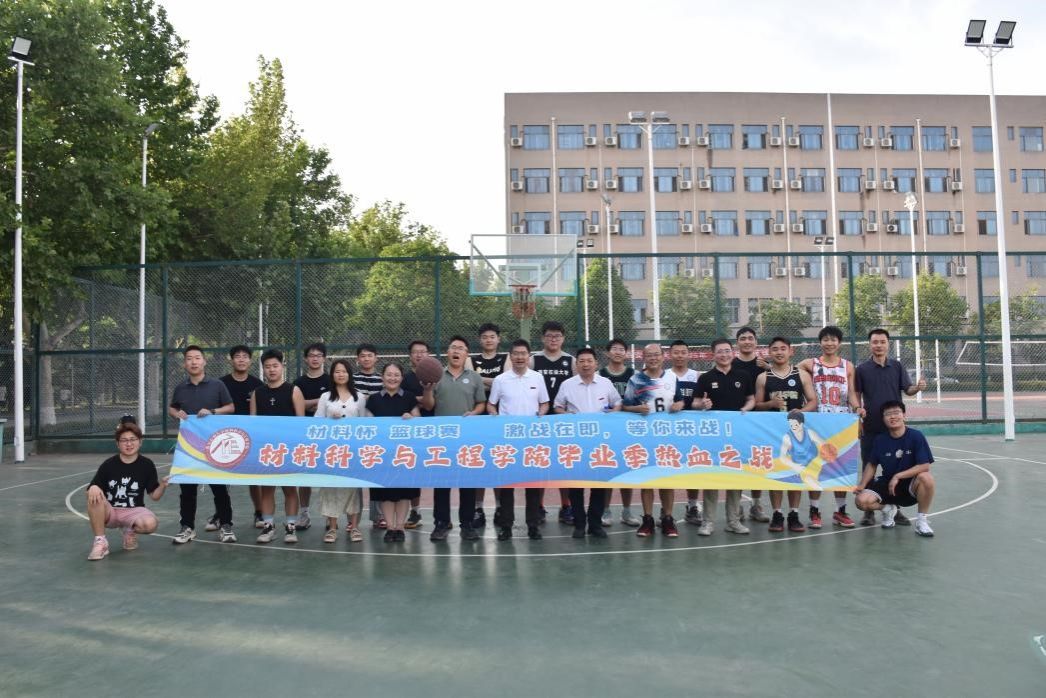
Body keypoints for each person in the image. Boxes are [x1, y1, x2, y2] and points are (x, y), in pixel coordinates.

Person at [854, 328, 927, 526]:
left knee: (897, 467)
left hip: (894, 428)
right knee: (869, 465)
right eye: (875, 342)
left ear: (888, 344)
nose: (878, 345)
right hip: (871, 427)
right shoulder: (862, 369)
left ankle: (896, 508)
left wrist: (918, 387)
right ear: (869, 345)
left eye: (882, 342)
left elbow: (908, 390)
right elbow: (857, 394)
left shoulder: (897, 366)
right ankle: (869, 511)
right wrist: (858, 409)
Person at [419, 336, 486, 542]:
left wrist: (474, 413)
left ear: (467, 354)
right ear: (447, 352)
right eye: (453, 347)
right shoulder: (436, 375)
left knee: (467, 483)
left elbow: (481, 403)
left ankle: (467, 524)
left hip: (467, 438)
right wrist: (427, 390)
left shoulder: (474, 377)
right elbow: (429, 406)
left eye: (461, 348)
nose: (457, 351)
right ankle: (441, 523)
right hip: (443, 439)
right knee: (442, 483)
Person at [168, 345, 235, 545]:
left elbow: (231, 407)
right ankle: (187, 527)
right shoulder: (180, 388)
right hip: (189, 447)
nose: (193, 362)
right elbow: (172, 408)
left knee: (219, 488)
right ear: (185, 364)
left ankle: (226, 525)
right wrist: (176, 413)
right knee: (187, 489)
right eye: (189, 358)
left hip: (215, 446)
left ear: (204, 361)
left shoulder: (217, 385)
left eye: (197, 358)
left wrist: (213, 412)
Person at [554, 347, 622, 538]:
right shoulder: (567, 384)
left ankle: (595, 524)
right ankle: (579, 524)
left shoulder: (605, 383)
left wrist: (614, 412)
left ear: (596, 363)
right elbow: (557, 406)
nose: (585, 364)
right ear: (576, 364)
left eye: (589, 361)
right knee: (576, 485)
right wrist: (566, 414)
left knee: (598, 485)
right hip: (575, 443)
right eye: (581, 361)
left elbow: (617, 402)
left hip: (600, 442)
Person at [798, 325, 861, 528]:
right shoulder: (809, 364)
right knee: (816, 466)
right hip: (817, 421)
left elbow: (851, 393)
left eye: (833, 339)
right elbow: (788, 371)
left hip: (840, 422)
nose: (829, 343)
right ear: (820, 342)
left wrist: (857, 408)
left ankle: (840, 511)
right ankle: (814, 511)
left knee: (840, 467)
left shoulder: (847, 366)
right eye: (825, 339)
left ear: (839, 343)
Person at [488, 339, 550, 541]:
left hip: (531, 440)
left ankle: (533, 525)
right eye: (516, 353)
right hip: (508, 441)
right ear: (511, 356)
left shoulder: (537, 378)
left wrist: (541, 413)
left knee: (532, 486)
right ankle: (506, 526)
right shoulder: (501, 380)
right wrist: (494, 415)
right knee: (507, 486)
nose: (520, 357)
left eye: (523, 353)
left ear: (529, 356)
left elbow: (545, 403)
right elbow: (491, 404)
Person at [622, 343, 684, 538]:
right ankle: (647, 519)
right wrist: (636, 409)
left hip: (667, 436)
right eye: (649, 355)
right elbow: (625, 406)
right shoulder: (636, 379)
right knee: (647, 479)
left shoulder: (672, 377)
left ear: (663, 357)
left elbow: (680, 400)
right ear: (643, 357)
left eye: (657, 354)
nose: (653, 358)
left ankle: (668, 518)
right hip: (644, 436)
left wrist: (679, 405)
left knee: (666, 479)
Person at [755, 337, 816, 533]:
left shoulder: (802, 375)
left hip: (795, 432)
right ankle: (777, 513)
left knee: (795, 473)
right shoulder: (763, 377)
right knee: (777, 473)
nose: (779, 352)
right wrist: (770, 404)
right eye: (775, 349)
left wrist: (800, 413)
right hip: (773, 433)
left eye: (783, 348)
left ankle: (794, 514)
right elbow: (757, 405)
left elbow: (813, 401)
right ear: (769, 352)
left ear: (791, 351)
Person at [694, 337, 755, 536]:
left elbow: (751, 399)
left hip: (737, 435)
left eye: (727, 351)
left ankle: (733, 521)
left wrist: (746, 409)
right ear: (713, 354)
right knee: (712, 479)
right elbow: (695, 402)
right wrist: (702, 405)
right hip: (713, 436)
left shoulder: (743, 376)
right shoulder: (705, 378)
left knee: (735, 478)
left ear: (733, 352)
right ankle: (708, 522)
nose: (724, 354)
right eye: (720, 351)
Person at [86, 419, 170, 561]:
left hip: (133, 511)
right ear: (117, 444)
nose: (129, 444)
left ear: (140, 442)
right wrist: (93, 487)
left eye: (132, 439)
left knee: (150, 524)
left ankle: (129, 529)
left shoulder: (147, 465)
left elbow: (154, 496)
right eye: (124, 440)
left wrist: (162, 485)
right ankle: (100, 542)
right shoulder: (109, 464)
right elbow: (91, 489)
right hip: (110, 511)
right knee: (94, 495)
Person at [853, 401, 936, 537]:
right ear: (883, 419)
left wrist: (898, 476)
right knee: (861, 501)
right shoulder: (880, 440)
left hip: (910, 485)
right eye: (888, 414)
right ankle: (887, 509)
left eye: (896, 413)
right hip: (888, 483)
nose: (892, 417)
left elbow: (924, 466)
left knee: (926, 478)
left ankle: (922, 521)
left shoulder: (916, 436)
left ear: (904, 415)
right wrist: (862, 484)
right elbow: (872, 464)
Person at [250, 349, 305, 544]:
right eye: (267, 366)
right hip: (266, 451)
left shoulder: (294, 390)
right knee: (267, 490)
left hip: (288, 450)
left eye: (275, 366)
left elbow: (301, 423)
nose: (271, 370)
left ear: (282, 366)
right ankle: (268, 526)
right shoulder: (257, 393)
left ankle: (290, 527)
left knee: (290, 490)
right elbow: (253, 423)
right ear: (263, 369)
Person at [364, 362, 421, 543]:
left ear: (401, 378)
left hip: (405, 453)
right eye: (389, 374)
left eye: (396, 375)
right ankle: (390, 527)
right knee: (385, 492)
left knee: (404, 492)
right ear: (382, 377)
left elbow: (419, 421)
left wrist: (411, 418)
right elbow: (368, 425)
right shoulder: (373, 399)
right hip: (382, 453)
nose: (392, 378)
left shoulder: (409, 397)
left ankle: (400, 527)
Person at [530, 321, 577, 525]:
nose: (553, 339)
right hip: (539, 420)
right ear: (543, 338)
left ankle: (566, 506)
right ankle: (538, 506)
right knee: (540, 465)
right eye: (549, 335)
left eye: (557, 336)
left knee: (564, 466)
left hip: (562, 421)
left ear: (563, 338)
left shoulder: (571, 361)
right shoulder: (534, 360)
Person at [315, 358, 366, 544]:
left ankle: (354, 526)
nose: (341, 374)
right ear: (332, 375)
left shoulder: (359, 397)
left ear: (349, 374)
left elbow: (365, 423)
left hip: (352, 451)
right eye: (337, 371)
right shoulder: (325, 397)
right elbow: (317, 421)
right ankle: (332, 527)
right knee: (331, 488)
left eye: (344, 371)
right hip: (331, 451)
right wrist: (330, 421)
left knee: (353, 488)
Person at [219, 344, 265, 530]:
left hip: (251, 438)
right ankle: (220, 514)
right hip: (227, 438)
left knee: (254, 478)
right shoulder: (221, 383)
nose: (241, 359)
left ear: (250, 361)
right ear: (231, 360)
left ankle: (259, 512)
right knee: (223, 479)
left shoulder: (257, 385)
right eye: (237, 356)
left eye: (245, 356)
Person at [470, 322, 508, 529]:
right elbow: (472, 382)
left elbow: (506, 382)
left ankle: (501, 507)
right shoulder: (471, 359)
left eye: (492, 336)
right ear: (480, 340)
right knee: (478, 464)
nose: (488, 340)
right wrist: (495, 381)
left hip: (499, 416)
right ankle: (478, 508)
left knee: (498, 463)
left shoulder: (505, 358)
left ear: (498, 339)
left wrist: (481, 379)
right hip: (477, 415)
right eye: (485, 337)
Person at [733, 326, 771, 523]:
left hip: (760, 421)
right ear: (737, 342)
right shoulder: (731, 364)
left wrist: (769, 368)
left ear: (756, 342)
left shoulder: (764, 365)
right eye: (743, 338)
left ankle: (756, 505)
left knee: (758, 464)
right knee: (737, 464)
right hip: (737, 421)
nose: (747, 341)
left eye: (750, 338)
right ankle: (736, 506)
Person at [599, 338, 639, 527]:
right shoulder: (600, 375)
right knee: (607, 470)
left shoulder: (635, 375)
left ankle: (627, 511)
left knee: (627, 471)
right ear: (607, 353)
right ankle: (606, 510)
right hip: (606, 430)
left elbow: (640, 399)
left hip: (628, 429)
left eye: (621, 349)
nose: (617, 352)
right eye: (614, 349)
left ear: (626, 353)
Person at [293, 342, 332, 531]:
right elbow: (297, 405)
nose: (315, 358)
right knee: (304, 477)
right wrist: (321, 401)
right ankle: (304, 514)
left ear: (324, 358)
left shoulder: (331, 380)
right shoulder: (299, 383)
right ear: (306, 359)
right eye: (311, 355)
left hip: (327, 435)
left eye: (318, 355)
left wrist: (310, 404)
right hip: (305, 434)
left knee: (327, 476)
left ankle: (330, 516)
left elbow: (334, 403)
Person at [667, 340, 704, 529]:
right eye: (676, 352)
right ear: (670, 355)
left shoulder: (696, 376)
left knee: (693, 468)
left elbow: (701, 401)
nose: (680, 355)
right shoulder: (664, 376)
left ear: (688, 354)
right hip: (668, 430)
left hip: (691, 429)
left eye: (683, 352)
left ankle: (692, 506)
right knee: (667, 468)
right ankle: (666, 511)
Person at [400, 339, 434, 528]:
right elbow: (404, 400)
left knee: (440, 470)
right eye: (415, 352)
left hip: (435, 428)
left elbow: (433, 402)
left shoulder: (437, 375)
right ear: (410, 356)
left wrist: (417, 399)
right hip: (412, 431)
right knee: (412, 471)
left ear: (428, 354)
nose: (419, 355)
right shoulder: (405, 379)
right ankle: (415, 511)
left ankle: (442, 515)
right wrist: (419, 400)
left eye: (423, 351)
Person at [353, 343, 387, 530]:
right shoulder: (352, 379)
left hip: (377, 434)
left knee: (376, 476)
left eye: (369, 355)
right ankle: (353, 519)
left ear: (376, 358)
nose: (366, 359)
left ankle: (378, 516)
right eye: (363, 356)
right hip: (356, 434)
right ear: (358, 359)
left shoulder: (382, 379)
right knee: (356, 478)